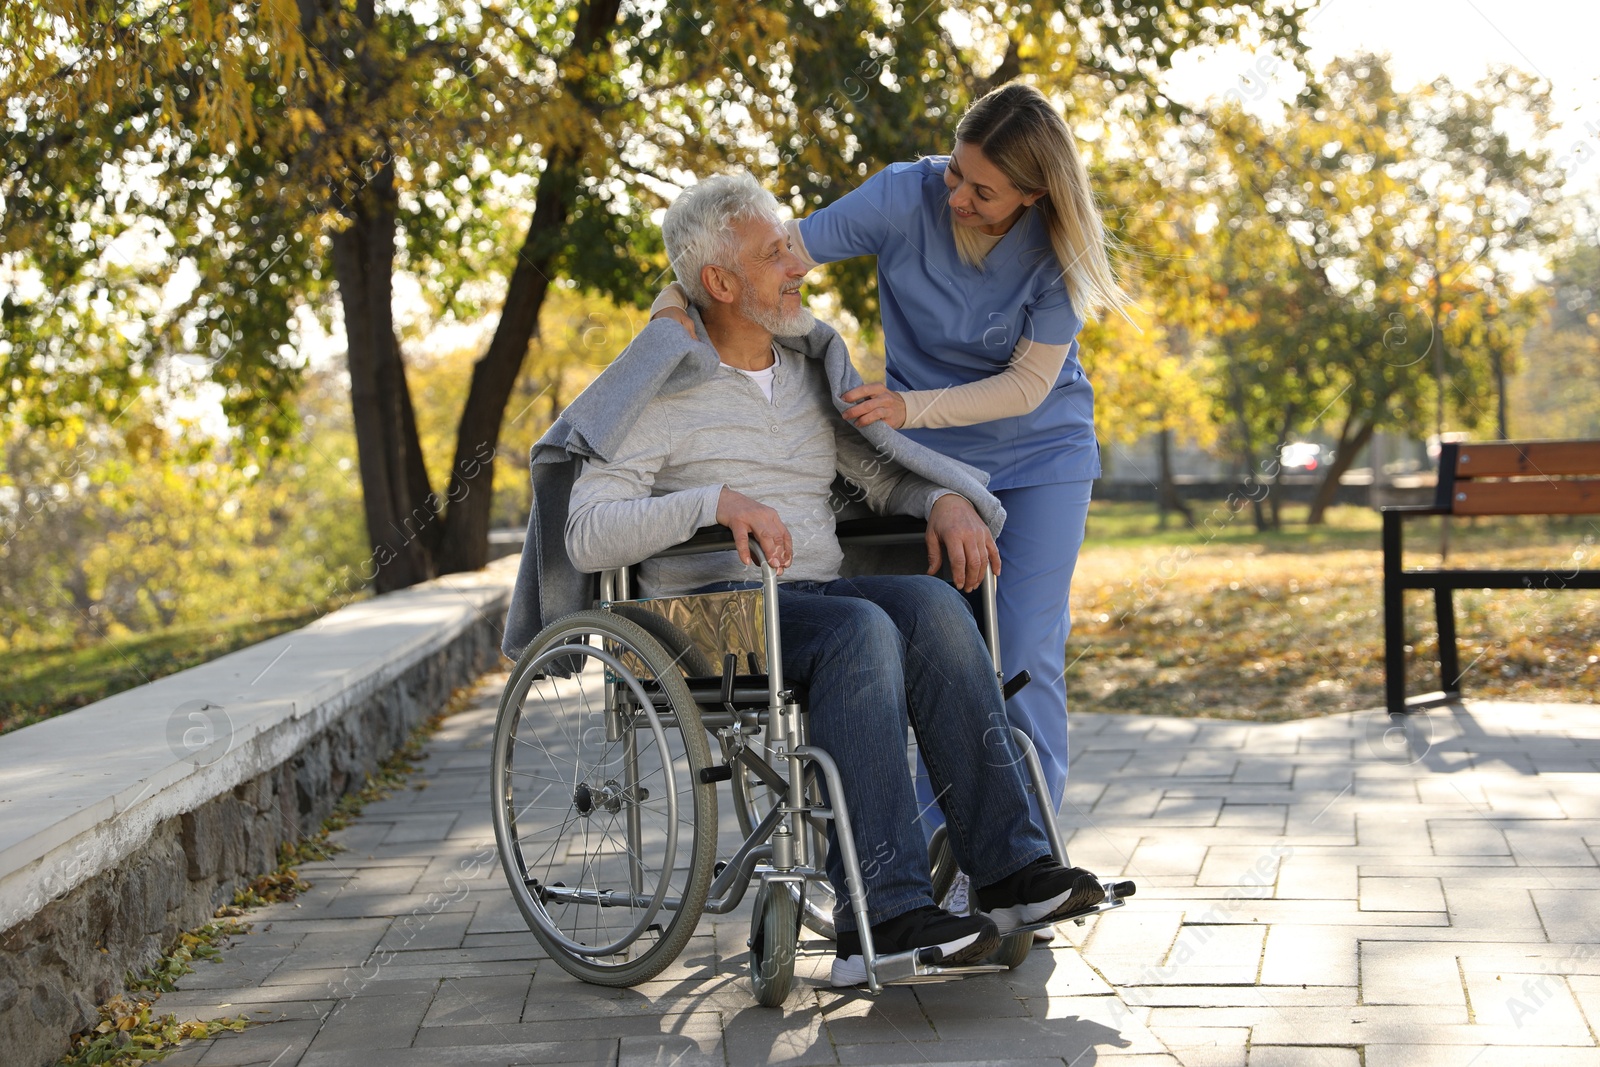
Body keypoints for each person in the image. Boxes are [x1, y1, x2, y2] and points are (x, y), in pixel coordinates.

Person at [566, 172, 1105, 987]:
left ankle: (1006, 870)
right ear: (718, 282)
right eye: (775, 250)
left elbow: (885, 478)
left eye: (791, 243)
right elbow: (583, 530)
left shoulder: (806, 372)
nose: (798, 263)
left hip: (809, 597)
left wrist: (947, 502)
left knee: (927, 598)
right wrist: (710, 501)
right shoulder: (660, 388)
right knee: (863, 629)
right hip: (706, 613)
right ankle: (879, 917)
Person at [651, 84, 1129, 865]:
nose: (959, 197)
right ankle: (920, 849)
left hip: (1040, 458)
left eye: (984, 190)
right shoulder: (904, 196)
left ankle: (1024, 856)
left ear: (1034, 193)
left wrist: (909, 407)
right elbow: (766, 257)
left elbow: (1026, 387)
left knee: (1023, 654)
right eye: (957, 173)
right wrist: (672, 304)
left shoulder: (1059, 247)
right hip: (927, 462)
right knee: (928, 648)